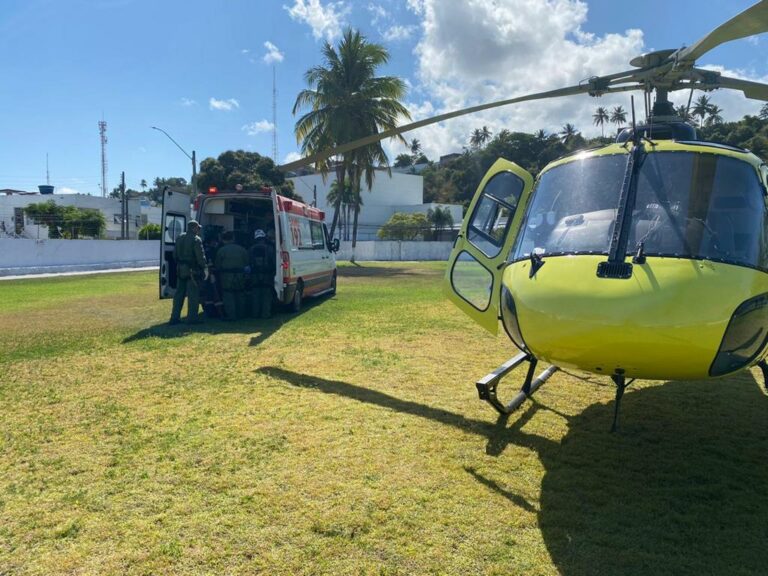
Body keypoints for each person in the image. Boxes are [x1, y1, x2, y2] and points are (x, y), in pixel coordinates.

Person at [169, 220, 207, 325]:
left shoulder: (179, 237)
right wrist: (204, 267)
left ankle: (174, 318)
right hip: (192, 271)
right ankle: (192, 318)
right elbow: (200, 257)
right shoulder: (196, 239)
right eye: (198, 228)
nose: (198, 230)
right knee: (193, 295)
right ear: (194, 228)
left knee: (179, 295)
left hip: (180, 270)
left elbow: (174, 255)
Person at [215, 230, 250, 320]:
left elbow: (217, 265)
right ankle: (241, 314)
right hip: (240, 275)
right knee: (240, 294)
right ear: (233, 238)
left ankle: (231, 316)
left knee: (228, 295)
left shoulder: (221, 251)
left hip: (226, 276)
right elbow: (247, 264)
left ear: (223, 239)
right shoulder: (242, 250)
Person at [248, 228, 276, 318]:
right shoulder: (270, 248)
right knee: (266, 296)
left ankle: (255, 314)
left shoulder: (251, 249)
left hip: (254, 276)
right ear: (264, 238)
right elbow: (274, 262)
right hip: (267, 275)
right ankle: (266, 314)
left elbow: (248, 262)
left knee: (255, 296)